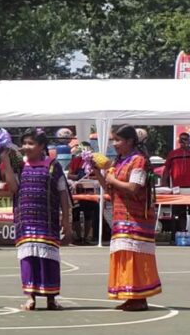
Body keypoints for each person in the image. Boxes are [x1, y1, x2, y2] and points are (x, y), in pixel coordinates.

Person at [92, 124, 161, 311]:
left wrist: (112, 179)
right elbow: (109, 189)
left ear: (130, 141)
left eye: (118, 140)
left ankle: (140, 297)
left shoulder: (138, 160)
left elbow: (133, 188)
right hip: (121, 216)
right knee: (124, 255)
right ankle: (131, 296)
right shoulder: (119, 162)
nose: (114, 144)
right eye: (114, 140)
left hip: (136, 217)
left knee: (135, 257)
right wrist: (98, 172)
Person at [1, 128, 71, 311]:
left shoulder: (53, 166)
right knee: (28, 259)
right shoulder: (19, 165)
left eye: (31, 143)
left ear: (42, 146)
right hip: (26, 220)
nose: (26, 147)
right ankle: (31, 297)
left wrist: (66, 220)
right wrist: (5, 162)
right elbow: (13, 188)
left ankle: (51, 298)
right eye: (24, 143)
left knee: (49, 260)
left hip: (47, 221)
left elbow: (63, 193)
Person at [68, 141, 99, 245]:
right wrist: (78, 178)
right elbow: (69, 175)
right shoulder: (76, 160)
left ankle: (86, 237)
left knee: (88, 214)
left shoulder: (93, 162)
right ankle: (77, 237)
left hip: (89, 192)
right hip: (77, 191)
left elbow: (99, 175)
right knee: (75, 213)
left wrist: (90, 178)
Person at [162, 132, 190, 241]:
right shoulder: (173, 154)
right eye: (182, 139)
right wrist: (164, 185)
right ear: (179, 141)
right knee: (178, 213)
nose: (184, 142)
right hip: (177, 187)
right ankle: (178, 235)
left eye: (186, 139)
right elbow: (166, 170)